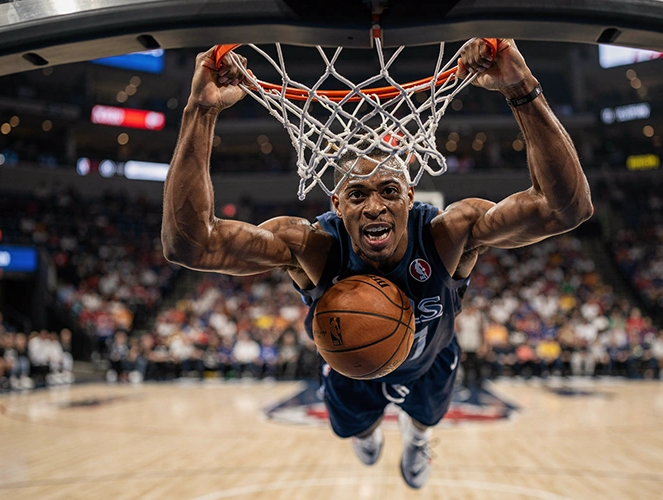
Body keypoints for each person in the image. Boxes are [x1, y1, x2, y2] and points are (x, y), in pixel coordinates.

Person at [162, 38, 593, 489]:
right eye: (358, 194)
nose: (374, 207)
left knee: (425, 421)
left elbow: (565, 209)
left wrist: (521, 88)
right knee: (357, 431)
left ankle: (418, 437)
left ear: (410, 195)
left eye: (388, 191)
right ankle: (368, 433)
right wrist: (201, 109)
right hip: (351, 364)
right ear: (336, 202)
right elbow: (190, 244)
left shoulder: (448, 234)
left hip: (429, 361)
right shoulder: (312, 246)